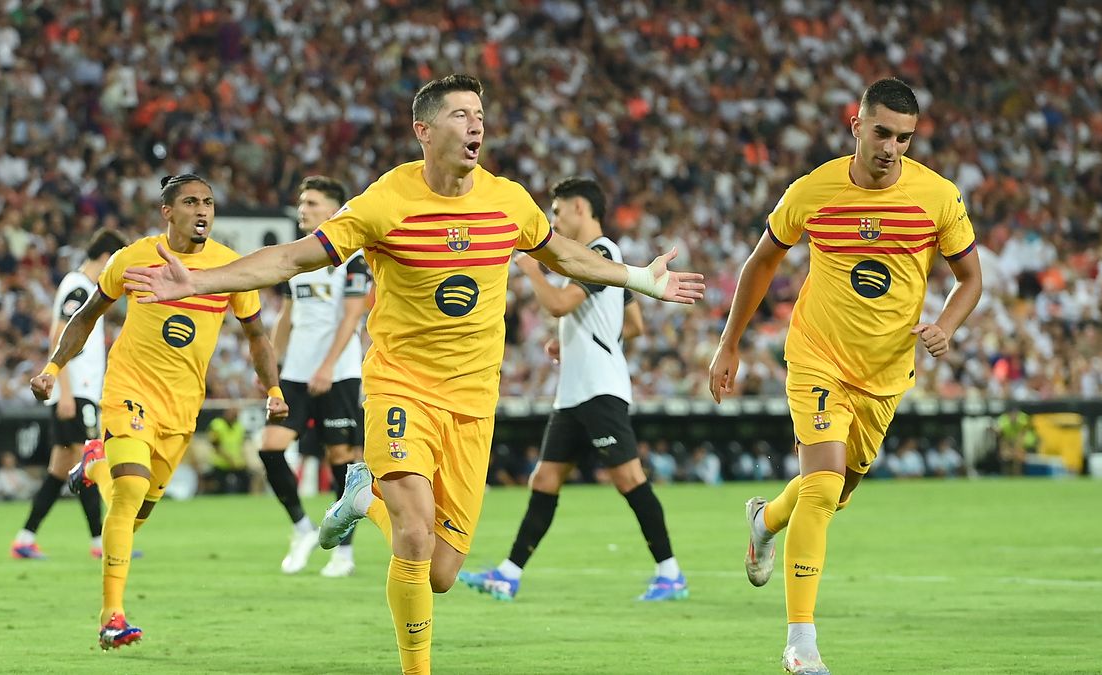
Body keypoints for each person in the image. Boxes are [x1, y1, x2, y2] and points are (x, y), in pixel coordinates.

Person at [121, 74, 703, 674]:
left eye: (479, 113)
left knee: (444, 572)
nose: (476, 124)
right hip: (401, 386)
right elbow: (294, 256)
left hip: (474, 400)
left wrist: (639, 278)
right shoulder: (384, 203)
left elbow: (565, 256)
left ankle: (362, 494)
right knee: (416, 535)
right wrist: (200, 280)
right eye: (460, 114)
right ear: (424, 131)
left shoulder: (508, 201)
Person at [708, 78, 982, 675]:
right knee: (825, 484)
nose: (891, 148)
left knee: (834, 494)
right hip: (817, 355)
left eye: (904, 138)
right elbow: (762, 263)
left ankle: (765, 519)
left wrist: (948, 325)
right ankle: (800, 645)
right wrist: (729, 344)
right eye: (881, 132)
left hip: (885, 373)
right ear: (854, 124)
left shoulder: (937, 197)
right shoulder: (813, 191)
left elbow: (970, 279)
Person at [29, 174, 288, 651]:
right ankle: (112, 616)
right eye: (191, 201)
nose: (202, 210)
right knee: (129, 491)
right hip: (130, 390)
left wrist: (272, 387)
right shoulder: (132, 258)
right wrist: (52, 367)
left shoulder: (230, 268)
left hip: (181, 409)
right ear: (167, 211)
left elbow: (255, 334)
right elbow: (86, 315)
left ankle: (95, 466)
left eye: (208, 202)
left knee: (134, 511)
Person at [457, 176, 687, 603]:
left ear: (581, 208)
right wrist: (575, 339)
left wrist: (530, 269)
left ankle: (671, 574)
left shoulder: (599, 254)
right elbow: (632, 324)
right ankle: (508, 574)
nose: (554, 219)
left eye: (558, 211)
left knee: (629, 478)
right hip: (576, 392)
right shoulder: (607, 262)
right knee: (544, 479)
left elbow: (558, 304)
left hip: (599, 389)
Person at [259, 175, 372, 577]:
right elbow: (288, 317)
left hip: (338, 374)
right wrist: (270, 366)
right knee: (270, 448)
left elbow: (353, 316)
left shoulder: (353, 258)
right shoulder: (299, 257)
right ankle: (302, 528)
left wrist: (327, 366)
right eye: (301, 202)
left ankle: (344, 551)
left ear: (334, 210)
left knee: (342, 459)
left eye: (311, 202)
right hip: (295, 373)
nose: (302, 209)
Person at [11, 228, 128, 560]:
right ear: (107, 258)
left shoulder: (86, 287)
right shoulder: (79, 287)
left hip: (78, 392)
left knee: (60, 470)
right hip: (75, 393)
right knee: (91, 461)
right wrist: (62, 392)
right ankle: (100, 544)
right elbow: (58, 336)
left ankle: (24, 538)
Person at [205, 407, 251, 494]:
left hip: (236, 463)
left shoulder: (239, 426)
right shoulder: (217, 424)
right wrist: (229, 459)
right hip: (220, 463)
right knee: (219, 488)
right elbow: (215, 445)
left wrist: (244, 460)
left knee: (246, 482)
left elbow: (241, 445)